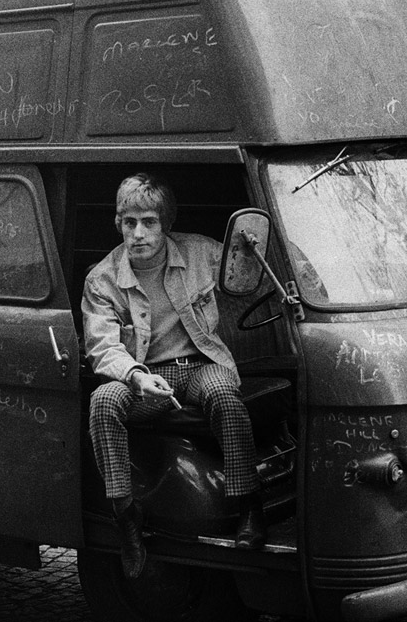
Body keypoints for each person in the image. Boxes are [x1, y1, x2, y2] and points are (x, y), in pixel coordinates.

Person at [82, 173, 265, 580]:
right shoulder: (102, 280)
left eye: (149, 222)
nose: (138, 233)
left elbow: (251, 269)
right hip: (146, 377)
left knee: (224, 394)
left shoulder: (201, 252)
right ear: (118, 223)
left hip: (200, 365)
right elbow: (101, 346)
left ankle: (249, 506)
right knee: (103, 401)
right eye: (129, 222)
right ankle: (126, 516)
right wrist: (136, 377)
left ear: (166, 223)